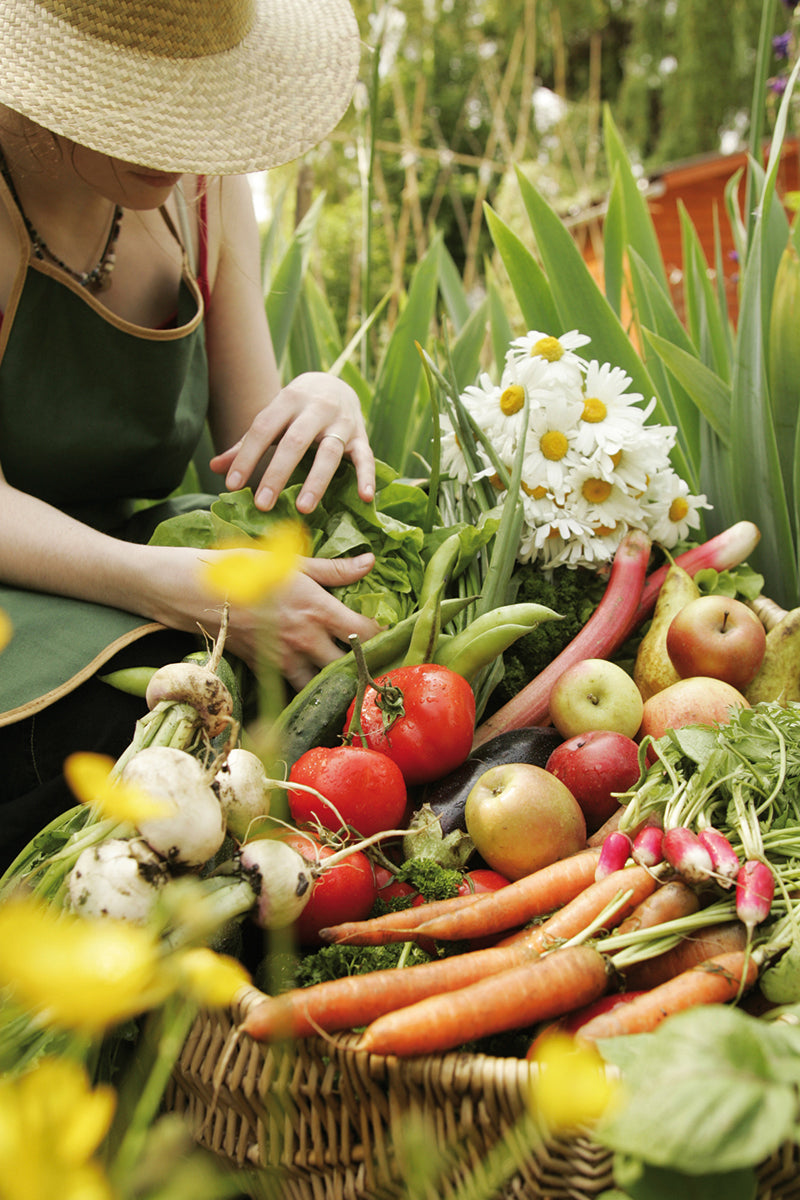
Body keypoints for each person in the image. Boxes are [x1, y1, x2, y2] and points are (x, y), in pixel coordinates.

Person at [0, 0, 381, 866]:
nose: (181, 143)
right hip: (30, 599)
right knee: (142, 730)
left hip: (137, 568)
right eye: (142, 100)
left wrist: (322, 401)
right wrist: (174, 586)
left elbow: (254, 459)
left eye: (198, 100)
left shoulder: (205, 193)